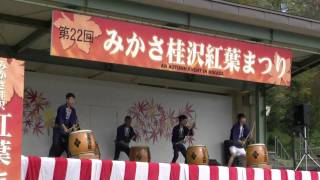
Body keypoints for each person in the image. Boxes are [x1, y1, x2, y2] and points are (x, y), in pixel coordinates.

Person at [49, 93, 79, 157]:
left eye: (73, 100)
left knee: (68, 145)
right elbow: (60, 119)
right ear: (67, 100)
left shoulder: (73, 110)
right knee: (56, 144)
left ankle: (67, 158)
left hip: (67, 130)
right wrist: (64, 128)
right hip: (58, 129)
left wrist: (74, 126)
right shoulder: (61, 108)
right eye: (71, 100)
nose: (72, 101)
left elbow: (74, 120)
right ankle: (52, 157)